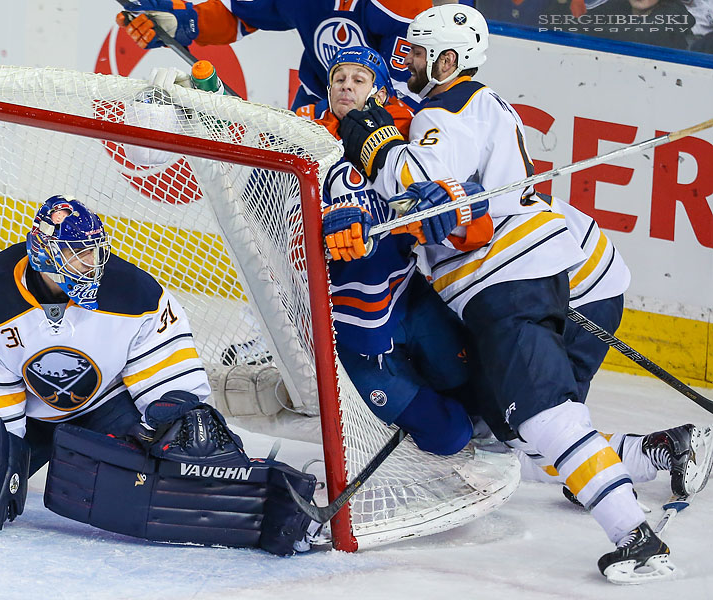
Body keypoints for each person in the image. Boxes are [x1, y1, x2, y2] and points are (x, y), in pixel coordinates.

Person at [336, 4, 712, 582]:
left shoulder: (445, 109)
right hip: (551, 274)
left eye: (418, 52)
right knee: (520, 431)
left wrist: (379, 148)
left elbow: (429, 193)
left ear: (447, 61)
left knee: (543, 419)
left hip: (521, 278)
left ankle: (636, 539)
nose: (405, 60)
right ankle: (661, 451)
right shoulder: (459, 107)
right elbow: (441, 202)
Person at [0, 195, 315, 554]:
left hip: (108, 406)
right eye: (77, 253)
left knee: (182, 450)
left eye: (93, 251)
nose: (91, 263)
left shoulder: (134, 292)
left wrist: (170, 414)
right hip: (31, 414)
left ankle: (269, 511)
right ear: (43, 252)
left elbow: (172, 381)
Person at [315, 46, 494, 456]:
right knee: (449, 435)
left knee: (482, 395)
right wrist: (321, 225)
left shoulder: (410, 137)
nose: (345, 87)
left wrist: (461, 202)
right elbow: (273, 218)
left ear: (380, 94)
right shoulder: (309, 146)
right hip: (348, 328)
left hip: (409, 297)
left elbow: (474, 222)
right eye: (338, 79)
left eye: (358, 79)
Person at [114, 0, 433, 111]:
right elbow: (240, 14)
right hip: (318, 99)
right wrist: (185, 22)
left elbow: (404, 96)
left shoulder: (402, 4)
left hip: (386, 120)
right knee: (269, 198)